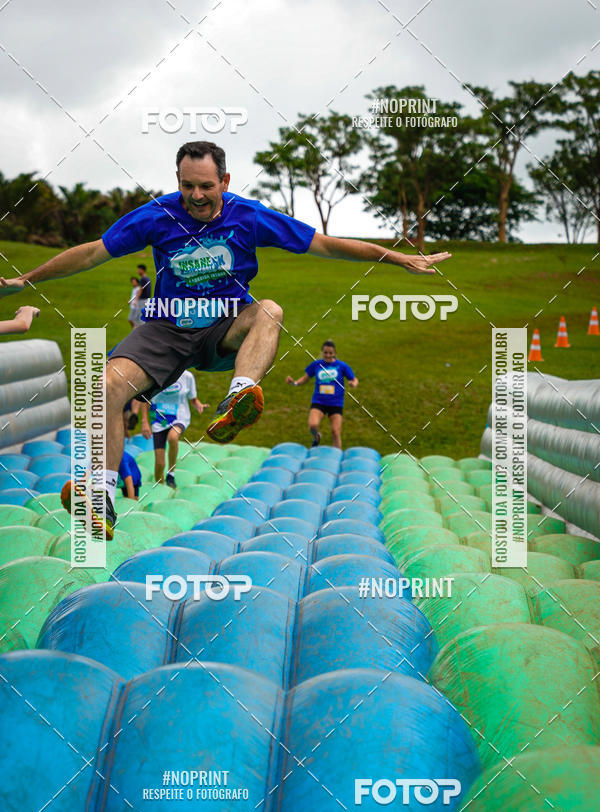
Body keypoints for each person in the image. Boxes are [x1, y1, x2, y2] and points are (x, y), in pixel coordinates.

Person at [0, 140, 451, 538]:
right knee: (105, 386)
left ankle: (239, 397)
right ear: (178, 181)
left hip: (225, 327)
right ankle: (100, 496)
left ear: (225, 181)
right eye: (186, 185)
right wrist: (29, 278)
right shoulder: (157, 216)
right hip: (166, 328)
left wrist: (394, 256)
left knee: (270, 310)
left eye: (206, 186)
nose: (196, 195)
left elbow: (326, 244)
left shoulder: (248, 216)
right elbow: (94, 253)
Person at [140, 370, 209, 488]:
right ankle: (160, 488)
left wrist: (199, 405)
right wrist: (144, 422)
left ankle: (171, 474)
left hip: (179, 417)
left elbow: (193, 399)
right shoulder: (155, 374)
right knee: (160, 464)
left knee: (173, 437)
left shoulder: (187, 376)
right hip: (159, 420)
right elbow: (145, 400)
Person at [286, 341, 358, 449]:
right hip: (319, 402)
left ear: (334, 353)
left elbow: (354, 379)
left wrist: (353, 384)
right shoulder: (316, 365)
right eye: (326, 353)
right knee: (312, 425)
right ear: (322, 352)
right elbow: (305, 378)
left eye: (330, 353)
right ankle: (316, 437)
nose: (328, 355)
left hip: (336, 403)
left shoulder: (341, 366)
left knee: (335, 432)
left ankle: (337, 455)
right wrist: (294, 383)